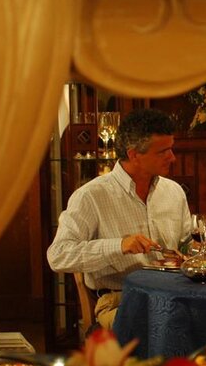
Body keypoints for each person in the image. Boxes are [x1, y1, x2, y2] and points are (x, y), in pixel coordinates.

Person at [47, 108, 192, 329]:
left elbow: (185, 246)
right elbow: (58, 256)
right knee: (168, 324)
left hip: (173, 295)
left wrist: (193, 250)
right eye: (163, 151)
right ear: (134, 154)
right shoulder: (91, 196)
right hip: (119, 301)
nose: (172, 157)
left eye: (171, 149)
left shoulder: (174, 192)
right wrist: (119, 246)